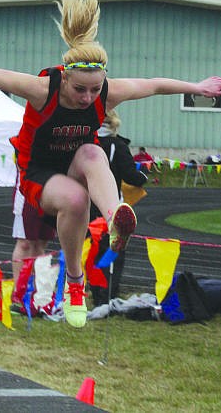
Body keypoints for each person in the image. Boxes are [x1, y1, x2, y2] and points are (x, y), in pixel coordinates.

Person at [0, 0, 221, 328]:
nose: (88, 98)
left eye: (95, 90)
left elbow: (153, 85)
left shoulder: (106, 92)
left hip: (75, 164)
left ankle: (115, 219)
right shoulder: (43, 89)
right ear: (65, 77)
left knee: (94, 151)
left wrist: (197, 87)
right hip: (38, 172)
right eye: (81, 89)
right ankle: (76, 282)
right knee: (75, 200)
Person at [89, 109, 148, 306]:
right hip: (110, 203)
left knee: (91, 248)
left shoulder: (85, 141)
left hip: (86, 202)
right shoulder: (117, 145)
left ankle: (94, 290)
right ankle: (107, 294)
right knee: (114, 249)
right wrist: (143, 179)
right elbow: (131, 175)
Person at [10, 187, 55, 311]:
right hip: (27, 187)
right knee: (25, 243)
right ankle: (19, 293)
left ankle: (38, 293)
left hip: (50, 191)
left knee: (40, 243)